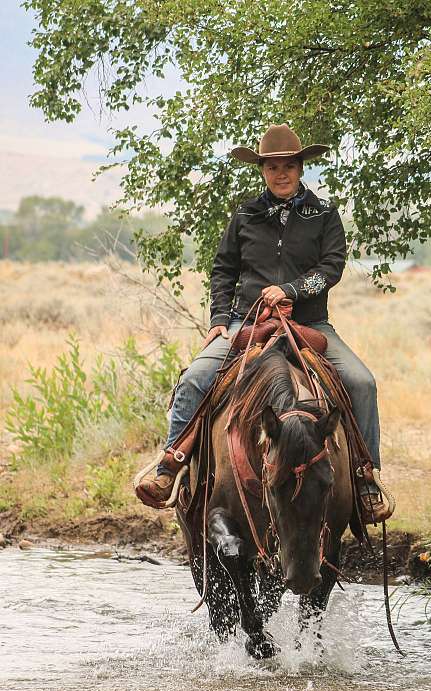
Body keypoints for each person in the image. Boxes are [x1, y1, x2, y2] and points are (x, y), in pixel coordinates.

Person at [138, 124, 390, 522]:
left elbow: (331, 268)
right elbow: (224, 269)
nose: (281, 173)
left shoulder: (324, 215)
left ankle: (364, 477)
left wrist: (290, 290)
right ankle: (172, 465)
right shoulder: (244, 215)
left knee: (362, 382)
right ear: (262, 170)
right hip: (246, 321)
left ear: (301, 167)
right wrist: (220, 318)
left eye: (289, 165)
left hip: (310, 324)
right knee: (195, 378)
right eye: (273, 167)